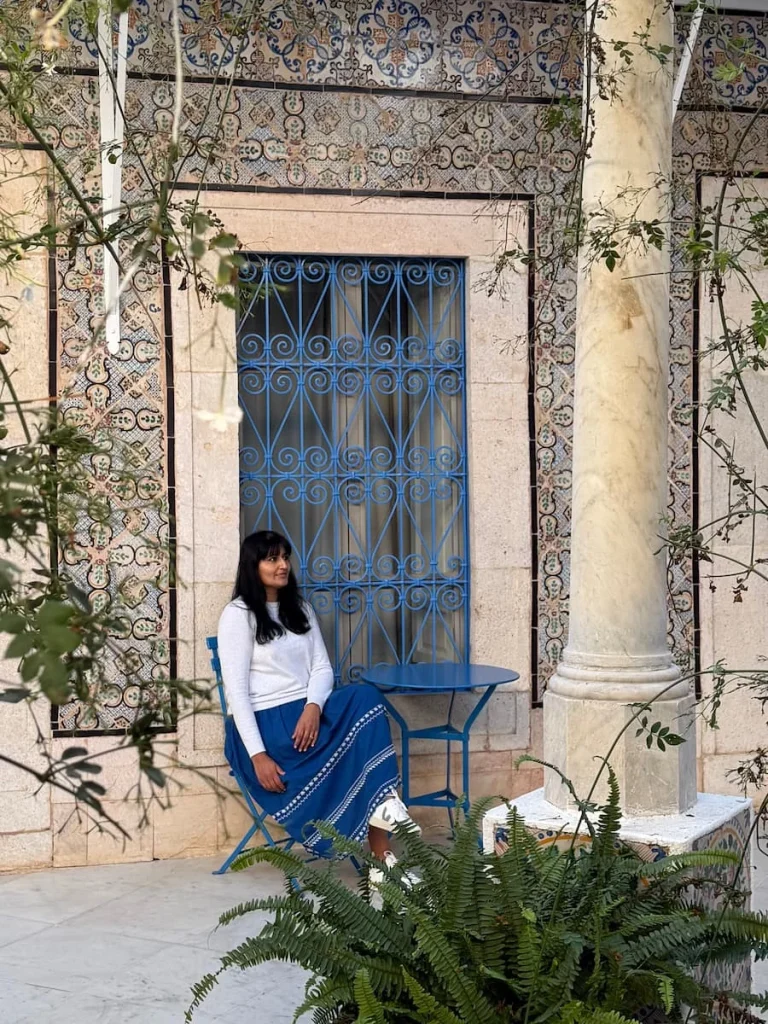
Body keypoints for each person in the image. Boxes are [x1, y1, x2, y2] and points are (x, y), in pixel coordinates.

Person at [217, 529, 418, 868]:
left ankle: (382, 836)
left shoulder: (300, 609)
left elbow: (322, 667)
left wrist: (313, 707)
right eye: (272, 559)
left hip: (308, 717)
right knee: (358, 747)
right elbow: (235, 691)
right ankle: (382, 847)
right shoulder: (238, 615)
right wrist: (258, 756)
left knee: (366, 697)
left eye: (285, 557)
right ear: (253, 566)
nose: (283, 565)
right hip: (270, 727)